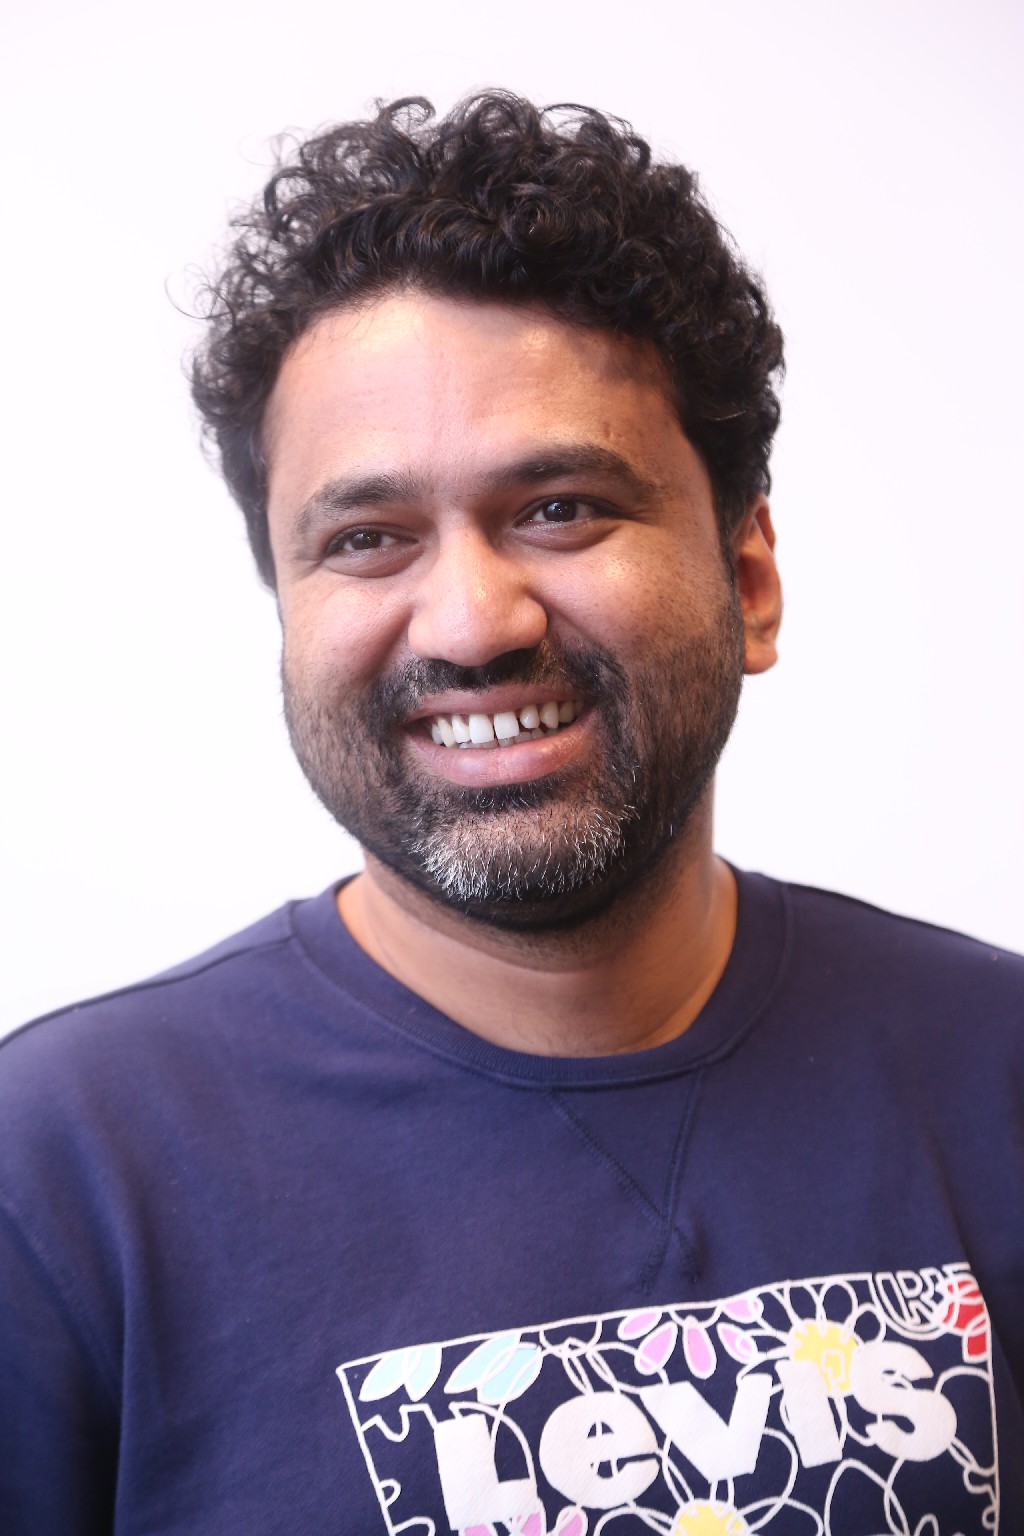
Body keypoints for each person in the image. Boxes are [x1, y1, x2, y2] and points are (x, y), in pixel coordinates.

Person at [1, 92, 1020, 1536]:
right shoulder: (58, 1178)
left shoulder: (995, 1071)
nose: (474, 623)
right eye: (369, 539)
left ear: (749, 578)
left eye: (561, 508)